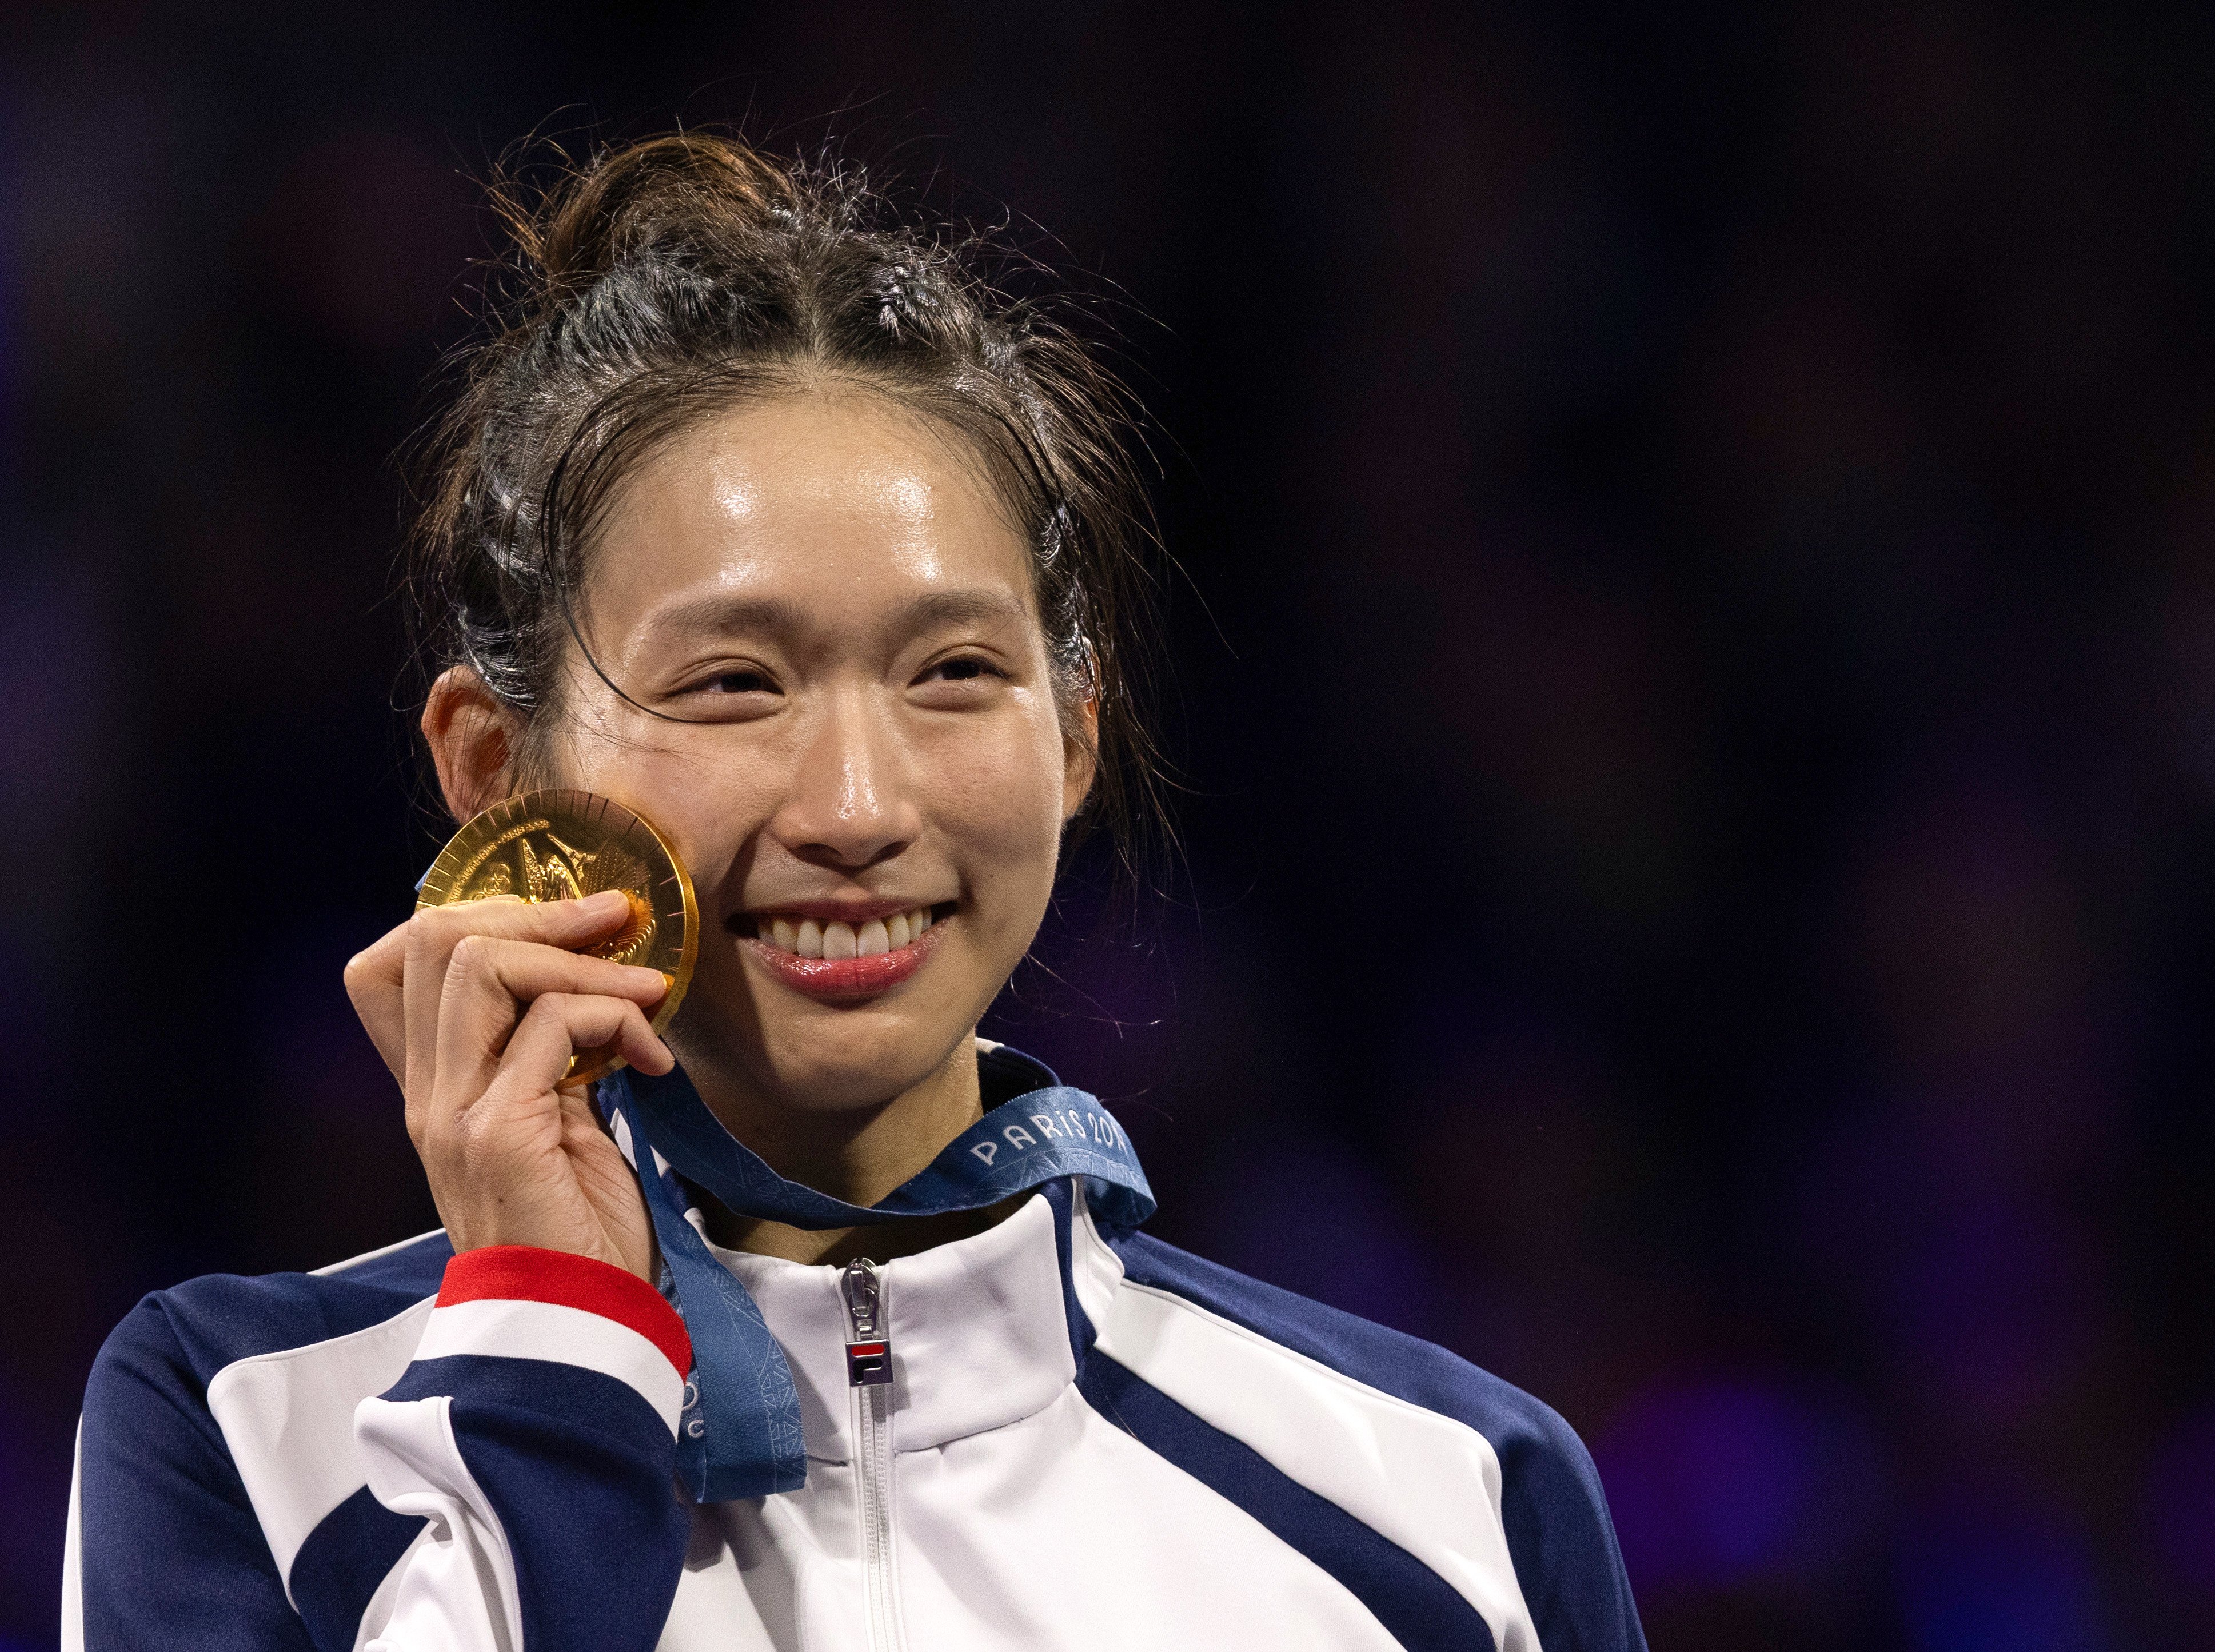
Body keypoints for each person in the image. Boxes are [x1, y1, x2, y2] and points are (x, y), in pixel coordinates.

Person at [64, 133, 1647, 1652]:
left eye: (955, 671)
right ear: (496, 767)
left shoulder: (1451, 1506)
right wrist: (549, 1335)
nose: (856, 807)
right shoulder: (240, 1434)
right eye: (737, 683)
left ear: (1076, 734)